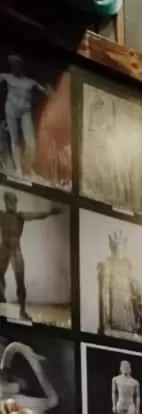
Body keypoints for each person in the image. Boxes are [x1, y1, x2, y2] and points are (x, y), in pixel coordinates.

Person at [0, 190, 62, 321]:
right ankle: (2, 303)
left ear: (15, 203)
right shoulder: (2, 215)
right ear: (5, 203)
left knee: (20, 282)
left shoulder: (20, 216)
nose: (10, 204)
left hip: (15, 251)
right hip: (4, 250)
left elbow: (37, 215)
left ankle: (22, 311)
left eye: (12, 201)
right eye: (8, 201)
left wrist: (50, 212)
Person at [0, 55, 51, 178]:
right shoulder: (7, 76)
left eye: (16, 64)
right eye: (12, 64)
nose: (14, 66)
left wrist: (50, 92)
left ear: (20, 65)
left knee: (31, 142)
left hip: (25, 111)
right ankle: (19, 169)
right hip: (11, 109)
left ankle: (27, 167)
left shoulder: (30, 82)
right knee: (15, 139)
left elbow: (45, 90)